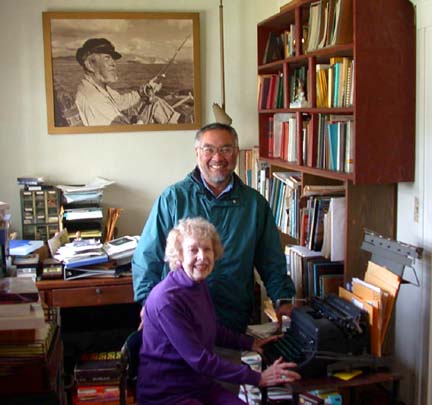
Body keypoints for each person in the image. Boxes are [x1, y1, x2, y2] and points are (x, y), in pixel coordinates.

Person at [132, 122, 296, 335]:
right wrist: (148, 303)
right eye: (209, 149)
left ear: (236, 153)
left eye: (226, 149)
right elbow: (147, 257)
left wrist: (282, 300)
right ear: (197, 153)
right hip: (179, 315)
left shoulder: (255, 205)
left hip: (232, 316)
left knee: (228, 365)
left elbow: (271, 261)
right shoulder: (173, 199)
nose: (218, 158)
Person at [137, 217, 300, 404]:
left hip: (199, 385)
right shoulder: (167, 300)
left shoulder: (197, 285)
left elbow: (211, 328)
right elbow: (200, 359)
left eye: (207, 249)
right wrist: (257, 378)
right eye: (193, 250)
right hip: (168, 393)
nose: (202, 257)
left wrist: (250, 343)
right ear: (179, 256)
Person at [74, 37, 180, 126]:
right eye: (107, 58)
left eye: (112, 59)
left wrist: (144, 91)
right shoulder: (93, 99)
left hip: (128, 126)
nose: (113, 64)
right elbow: (121, 136)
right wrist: (141, 119)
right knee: (154, 105)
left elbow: (121, 101)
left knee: (154, 102)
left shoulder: (100, 87)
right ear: (89, 65)